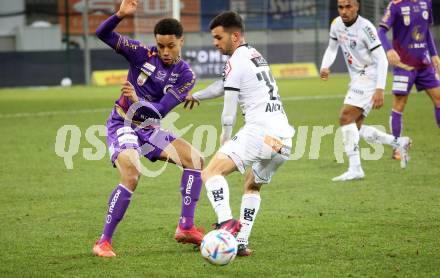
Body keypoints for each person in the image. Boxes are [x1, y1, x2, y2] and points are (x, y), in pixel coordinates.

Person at [92, 0, 204, 257]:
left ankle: (186, 226)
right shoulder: (141, 53)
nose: (165, 51)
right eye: (161, 45)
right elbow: (103, 34)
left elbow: (161, 110)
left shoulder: (186, 75)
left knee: (195, 159)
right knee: (131, 173)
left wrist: (136, 100)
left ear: (181, 42)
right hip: (123, 123)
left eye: (171, 46)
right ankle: (103, 241)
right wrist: (120, 15)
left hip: (150, 127)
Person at [184, 11, 294, 257]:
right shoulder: (255, 55)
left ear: (235, 36)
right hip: (283, 139)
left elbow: (229, 109)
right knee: (252, 185)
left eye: (218, 37)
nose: (215, 42)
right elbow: (223, 86)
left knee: (211, 172)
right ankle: (241, 241)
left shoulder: (235, 60)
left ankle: (226, 222)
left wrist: (225, 135)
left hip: (259, 131)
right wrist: (197, 95)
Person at [320, 0, 412, 182]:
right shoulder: (336, 25)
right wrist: (325, 66)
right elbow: (332, 48)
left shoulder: (366, 28)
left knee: (345, 117)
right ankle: (399, 142)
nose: (344, 11)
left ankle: (355, 169)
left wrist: (379, 89)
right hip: (356, 78)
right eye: (340, 7)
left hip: (369, 75)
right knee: (355, 126)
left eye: (348, 6)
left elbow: (382, 60)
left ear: (357, 7)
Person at [378, 0, 440, 160]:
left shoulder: (426, 2)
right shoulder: (395, 5)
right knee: (399, 104)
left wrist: (434, 54)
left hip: (424, 64)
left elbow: (426, 31)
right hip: (404, 65)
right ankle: (396, 147)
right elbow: (381, 32)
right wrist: (389, 49)